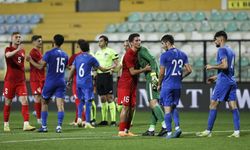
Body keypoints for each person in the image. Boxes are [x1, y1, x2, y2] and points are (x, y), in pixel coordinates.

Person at [196, 31, 240, 138]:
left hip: (224, 82)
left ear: (220, 39)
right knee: (233, 106)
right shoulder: (231, 50)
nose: (214, 41)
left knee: (213, 104)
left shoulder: (222, 49)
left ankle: (208, 131)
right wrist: (215, 77)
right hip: (231, 81)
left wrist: (212, 66)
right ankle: (237, 132)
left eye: (215, 39)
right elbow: (229, 70)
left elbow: (224, 66)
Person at [68, 39, 113, 128]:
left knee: (81, 101)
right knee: (88, 102)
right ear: (88, 48)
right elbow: (102, 69)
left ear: (81, 48)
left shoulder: (77, 58)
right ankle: (88, 122)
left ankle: (80, 118)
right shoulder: (91, 58)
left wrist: (69, 80)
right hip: (87, 83)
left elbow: (72, 70)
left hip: (78, 83)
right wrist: (112, 66)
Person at [27, 34, 68, 133]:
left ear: (53, 41)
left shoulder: (49, 53)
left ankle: (44, 127)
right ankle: (59, 127)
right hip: (61, 81)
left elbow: (40, 66)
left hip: (50, 81)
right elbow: (66, 67)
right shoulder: (65, 54)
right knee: (60, 105)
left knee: (44, 102)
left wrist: (30, 60)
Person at [158, 34, 192, 139]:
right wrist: (181, 77)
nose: (162, 46)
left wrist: (159, 84)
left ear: (167, 43)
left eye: (163, 44)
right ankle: (177, 128)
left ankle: (168, 133)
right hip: (177, 85)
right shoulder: (183, 54)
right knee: (173, 107)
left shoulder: (164, 56)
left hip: (167, 85)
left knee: (167, 109)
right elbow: (189, 70)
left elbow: (162, 73)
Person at [118, 33, 151, 137]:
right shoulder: (128, 55)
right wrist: (144, 69)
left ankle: (127, 130)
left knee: (132, 108)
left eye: (139, 40)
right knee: (126, 107)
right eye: (136, 40)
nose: (139, 42)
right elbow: (132, 72)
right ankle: (121, 131)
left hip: (133, 84)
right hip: (125, 84)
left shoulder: (138, 53)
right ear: (131, 43)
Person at [3, 32, 36, 132]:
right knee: (8, 102)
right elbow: (7, 56)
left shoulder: (22, 51)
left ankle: (26, 124)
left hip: (21, 81)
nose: (18, 38)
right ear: (12, 39)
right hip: (10, 81)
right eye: (16, 37)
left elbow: (20, 64)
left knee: (25, 101)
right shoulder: (8, 49)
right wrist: (17, 49)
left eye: (19, 37)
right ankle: (6, 124)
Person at [138, 46, 167, 137]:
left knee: (153, 103)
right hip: (153, 77)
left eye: (127, 45)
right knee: (154, 104)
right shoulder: (137, 53)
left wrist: (154, 74)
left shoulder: (142, 50)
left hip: (152, 78)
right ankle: (151, 129)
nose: (125, 47)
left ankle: (165, 126)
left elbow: (153, 59)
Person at [95, 35, 119, 126]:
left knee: (109, 97)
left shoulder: (111, 51)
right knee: (102, 98)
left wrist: (110, 68)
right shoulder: (97, 53)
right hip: (99, 76)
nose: (99, 43)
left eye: (101, 41)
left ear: (106, 42)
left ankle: (113, 120)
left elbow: (117, 64)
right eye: (98, 41)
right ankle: (104, 120)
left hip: (107, 75)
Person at [28, 35, 45, 125]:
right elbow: (40, 65)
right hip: (35, 78)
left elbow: (42, 65)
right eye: (38, 41)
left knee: (44, 98)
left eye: (41, 41)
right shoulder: (33, 52)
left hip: (41, 78)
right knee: (38, 97)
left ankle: (37, 111)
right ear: (33, 42)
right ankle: (39, 118)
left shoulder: (38, 52)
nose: (40, 42)